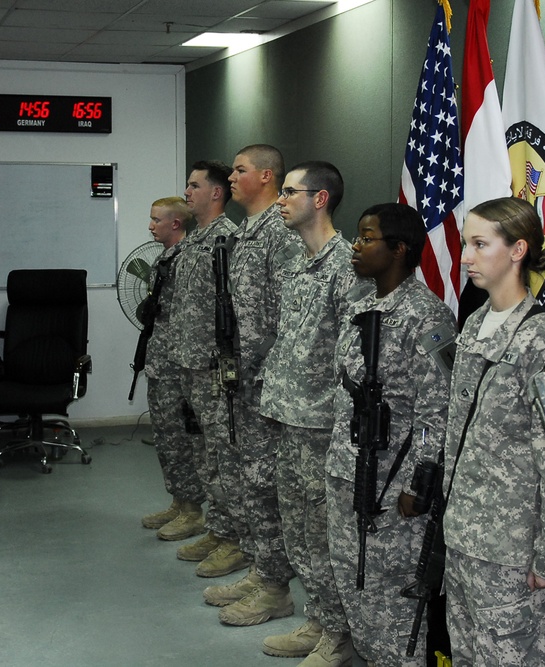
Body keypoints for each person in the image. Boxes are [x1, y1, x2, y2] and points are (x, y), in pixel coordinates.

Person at [441, 197, 545, 666]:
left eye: (480, 244)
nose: (466, 256)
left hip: (513, 549)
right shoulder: (475, 324)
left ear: (518, 250)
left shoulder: (543, 339)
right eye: (464, 243)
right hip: (463, 535)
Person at [326, 203, 455, 667]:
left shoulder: (428, 317)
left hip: (391, 481)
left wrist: (418, 481)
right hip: (346, 470)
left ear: (399, 249)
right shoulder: (361, 307)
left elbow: (437, 407)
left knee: (392, 594)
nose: (355, 246)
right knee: (352, 580)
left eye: (366, 237)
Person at [250, 161, 359, 664]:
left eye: (290, 192)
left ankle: (338, 634)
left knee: (325, 533)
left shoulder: (347, 268)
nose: (280, 200)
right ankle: (317, 617)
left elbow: (354, 362)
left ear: (320, 199)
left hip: (323, 426)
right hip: (285, 417)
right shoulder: (297, 264)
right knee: (297, 530)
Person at [201, 144, 300, 626]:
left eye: (240, 170)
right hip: (241, 382)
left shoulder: (280, 234)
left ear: (266, 176)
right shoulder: (244, 236)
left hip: (267, 387)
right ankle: (264, 572)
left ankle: (275, 586)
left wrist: (264, 377)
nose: (232, 177)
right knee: (248, 481)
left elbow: (286, 317)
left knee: (265, 485)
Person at [170, 162, 242, 574]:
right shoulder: (195, 240)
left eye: (195, 185)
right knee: (204, 454)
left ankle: (233, 537)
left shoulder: (226, 239)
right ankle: (217, 528)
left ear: (216, 193)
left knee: (223, 457)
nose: (188, 191)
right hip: (188, 362)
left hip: (214, 368)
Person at [139, 197, 207, 541]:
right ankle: (180, 501)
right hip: (160, 360)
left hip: (178, 362)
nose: (150, 226)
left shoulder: (187, 259)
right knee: (166, 436)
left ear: (176, 224)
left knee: (183, 437)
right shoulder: (165, 258)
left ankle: (193, 510)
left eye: (156, 220)